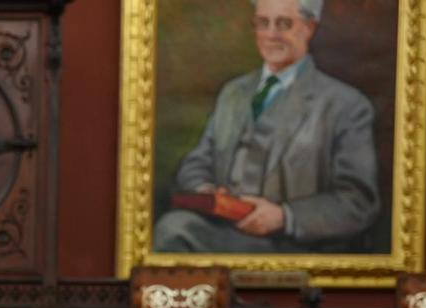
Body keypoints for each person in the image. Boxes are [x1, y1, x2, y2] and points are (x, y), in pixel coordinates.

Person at [153, 0, 380, 253]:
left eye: (284, 24)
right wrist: (207, 193)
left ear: (309, 28)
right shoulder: (234, 93)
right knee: (172, 230)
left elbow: (358, 203)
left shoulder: (345, 105)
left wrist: (284, 217)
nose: (271, 34)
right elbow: (197, 163)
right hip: (222, 231)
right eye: (263, 23)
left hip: (294, 244)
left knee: (174, 231)